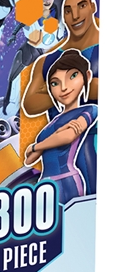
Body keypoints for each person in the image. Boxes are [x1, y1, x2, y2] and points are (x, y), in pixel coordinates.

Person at [24, 50, 97, 204]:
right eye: (55, 83)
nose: (64, 87)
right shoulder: (51, 123)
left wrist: (37, 146)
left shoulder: (89, 110)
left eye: (73, 76)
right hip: (44, 184)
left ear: (87, 76)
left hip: (67, 180)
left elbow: (68, 137)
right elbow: (29, 160)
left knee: (74, 217)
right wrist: (55, 134)